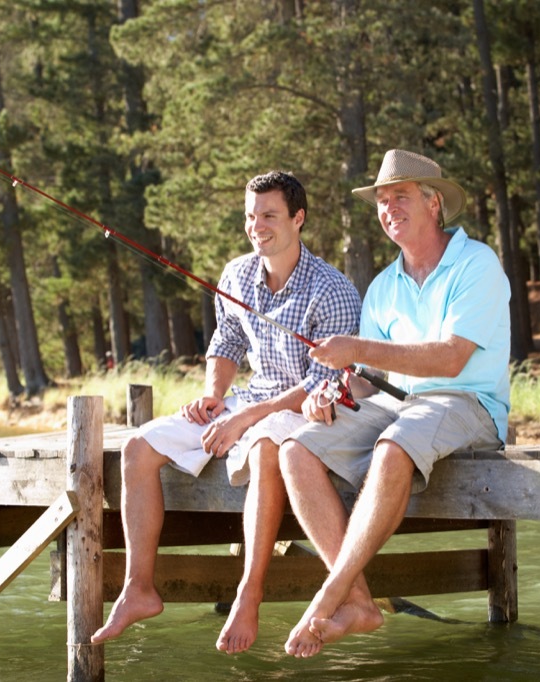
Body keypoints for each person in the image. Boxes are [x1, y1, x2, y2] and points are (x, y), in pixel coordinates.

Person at [90, 171, 361, 655]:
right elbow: (228, 341)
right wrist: (214, 395)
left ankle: (248, 592)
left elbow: (326, 382)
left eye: (269, 215)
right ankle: (139, 589)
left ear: (298, 218)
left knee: (263, 449)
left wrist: (246, 418)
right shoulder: (236, 274)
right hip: (248, 398)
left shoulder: (333, 289)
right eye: (250, 216)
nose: (257, 226)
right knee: (137, 448)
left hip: (305, 410)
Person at [278, 149, 511, 658]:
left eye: (399, 197)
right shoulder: (384, 285)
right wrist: (333, 392)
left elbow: (452, 358)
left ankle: (329, 593)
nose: (388, 209)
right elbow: (369, 382)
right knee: (295, 449)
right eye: (382, 201)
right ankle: (359, 602)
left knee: (393, 445)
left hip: (469, 404)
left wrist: (357, 349)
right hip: (401, 409)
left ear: (434, 203)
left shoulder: (477, 263)